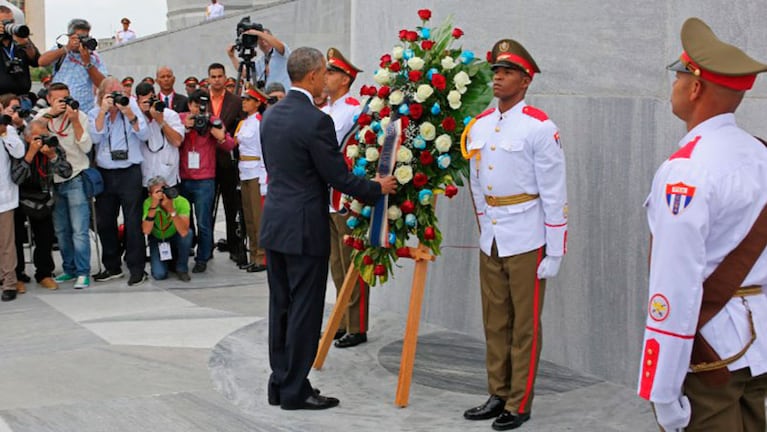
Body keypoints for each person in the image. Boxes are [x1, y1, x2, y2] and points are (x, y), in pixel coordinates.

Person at [637, 18, 767, 432]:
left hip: (712, 354)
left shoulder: (686, 171)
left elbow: (673, 288)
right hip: (760, 342)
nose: (673, 85)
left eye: (678, 76)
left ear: (694, 87)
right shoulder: (761, 154)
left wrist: (661, 390)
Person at [259, 46, 397, 410]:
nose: (325, 78)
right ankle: (295, 391)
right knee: (304, 310)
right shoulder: (315, 120)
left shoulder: (270, 115)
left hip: (275, 223)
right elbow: (336, 176)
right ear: (313, 76)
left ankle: (279, 382)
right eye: (324, 72)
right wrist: (376, 188)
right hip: (304, 227)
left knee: (281, 307)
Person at [461, 39, 568, 431]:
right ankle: (497, 392)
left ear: (526, 80)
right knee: (495, 320)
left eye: (507, 72)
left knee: (525, 325)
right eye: (496, 71)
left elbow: (555, 192)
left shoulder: (540, 127)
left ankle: (519, 401)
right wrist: (483, 225)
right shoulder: (482, 125)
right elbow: (476, 182)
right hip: (492, 236)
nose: (498, 77)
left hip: (527, 237)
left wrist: (554, 250)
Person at [320, 47, 369, 348]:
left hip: (346, 196)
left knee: (352, 262)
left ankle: (357, 324)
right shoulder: (326, 110)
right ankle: (341, 317)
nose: (325, 77)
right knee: (336, 262)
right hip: (327, 194)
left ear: (345, 79)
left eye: (331, 72)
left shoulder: (353, 108)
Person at [88, 77, 149, 286]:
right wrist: (104, 111)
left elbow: (144, 134)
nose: (115, 97)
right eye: (111, 93)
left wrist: (130, 114)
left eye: (118, 92)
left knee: (133, 222)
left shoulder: (130, 106)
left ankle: (137, 268)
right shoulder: (95, 111)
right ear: (102, 94)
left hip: (129, 172)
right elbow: (94, 139)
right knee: (105, 222)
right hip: (106, 173)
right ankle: (112, 266)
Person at [34, 82, 93, 289]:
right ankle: (69, 269)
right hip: (52, 181)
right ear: (49, 99)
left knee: (79, 229)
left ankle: (83, 271)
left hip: (76, 176)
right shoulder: (43, 114)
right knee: (61, 230)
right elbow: (33, 131)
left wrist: (75, 121)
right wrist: (51, 113)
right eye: (59, 99)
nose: (63, 103)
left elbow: (86, 147)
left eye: (66, 98)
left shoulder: (80, 115)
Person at [11, 120, 74, 292]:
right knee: (16, 239)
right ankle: (17, 275)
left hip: (44, 196)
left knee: (45, 238)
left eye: (46, 135)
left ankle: (44, 274)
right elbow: (16, 178)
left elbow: (67, 172)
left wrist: (52, 156)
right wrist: (30, 154)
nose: (44, 140)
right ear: (28, 137)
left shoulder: (53, 146)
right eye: (39, 137)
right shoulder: (19, 148)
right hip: (19, 196)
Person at [178, 89, 235, 273]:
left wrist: (215, 132)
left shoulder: (212, 120)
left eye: (202, 107)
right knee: (184, 220)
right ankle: (184, 252)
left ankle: (203, 257)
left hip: (205, 179)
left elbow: (230, 145)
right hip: (184, 177)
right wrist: (185, 127)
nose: (198, 111)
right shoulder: (181, 118)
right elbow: (171, 139)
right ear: (189, 105)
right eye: (195, 106)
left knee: (204, 221)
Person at [207, 62, 246, 265]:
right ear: (208, 79)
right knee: (207, 208)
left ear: (225, 77)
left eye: (220, 76)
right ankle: (205, 248)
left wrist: (231, 139)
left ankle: (235, 246)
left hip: (229, 162)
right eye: (213, 77)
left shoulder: (236, 101)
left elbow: (242, 124)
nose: (217, 80)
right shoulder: (202, 100)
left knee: (233, 207)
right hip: (207, 163)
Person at [39, 19, 107, 115]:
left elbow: (103, 84)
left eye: (86, 37)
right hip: (59, 109)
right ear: (70, 37)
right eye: (80, 37)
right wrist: (67, 48)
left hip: (83, 111)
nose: (83, 40)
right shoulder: (60, 51)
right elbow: (41, 61)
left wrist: (87, 63)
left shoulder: (94, 57)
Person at [235, 86, 267, 272]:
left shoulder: (259, 122)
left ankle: (262, 257)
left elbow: (263, 150)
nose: (244, 102)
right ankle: (253, 254)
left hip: (256, 171)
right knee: (249, 217)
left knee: (258, 217)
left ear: (257, 103)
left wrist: (264, 175)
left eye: (248, 99)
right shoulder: (245, 122)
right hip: (244, 171)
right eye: (244, 99)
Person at [142, 176, 192, 282]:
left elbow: (183, 232)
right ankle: (169, 262)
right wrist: (153, 207)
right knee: (159, 275)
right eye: (157, 192)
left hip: (176, 235)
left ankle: (182, 268)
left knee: (189, 234)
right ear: (150, 195)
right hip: (158, 238)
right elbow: (146, 230)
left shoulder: (181, 201)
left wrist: (171, 210)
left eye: (164, 189)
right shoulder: (148, 203)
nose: (162, 194)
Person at [135, 82, 184, 188]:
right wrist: (139, 112)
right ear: (138, 101)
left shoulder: (170, 115)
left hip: (168, 178)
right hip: (144, 178)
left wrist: (160, 120)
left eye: (149, 100)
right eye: (144, 101)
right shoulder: (136, 118)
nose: (147, 104)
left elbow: (177, 141)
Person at [0, 113, 25, 301]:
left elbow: (19, 152)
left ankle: (9, 282)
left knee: (6, 242)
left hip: (3, 197)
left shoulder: (7, 130)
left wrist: (4, 134)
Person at [227, 28, 291, 92]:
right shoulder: (260, 61)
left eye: (264, 37)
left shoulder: (280, 52)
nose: (263, 40)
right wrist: (232, 57)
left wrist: (257, 33)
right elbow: (245, 74)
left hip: (284, 94)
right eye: (259, 39)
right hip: (269, 97)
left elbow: (279, 45)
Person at [0, 5, 39, 96]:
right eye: (4, 22)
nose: (8, 25)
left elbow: (36, 61)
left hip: (22, 97)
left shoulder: (19, 37)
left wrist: (26, 44)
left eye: (11, 21)